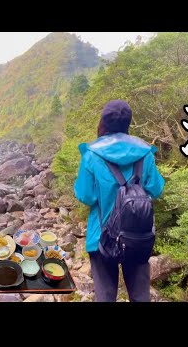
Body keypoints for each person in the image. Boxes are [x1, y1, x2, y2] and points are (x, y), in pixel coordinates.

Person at [74, 100, 165, 302]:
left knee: (105, 296)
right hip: (138, 235)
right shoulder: (145, 153)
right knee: (140, 296)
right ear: (128, 123)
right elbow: (156, 189)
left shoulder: (91, 154)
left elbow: (85, 195)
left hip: (102, 238)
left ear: (103, 122)